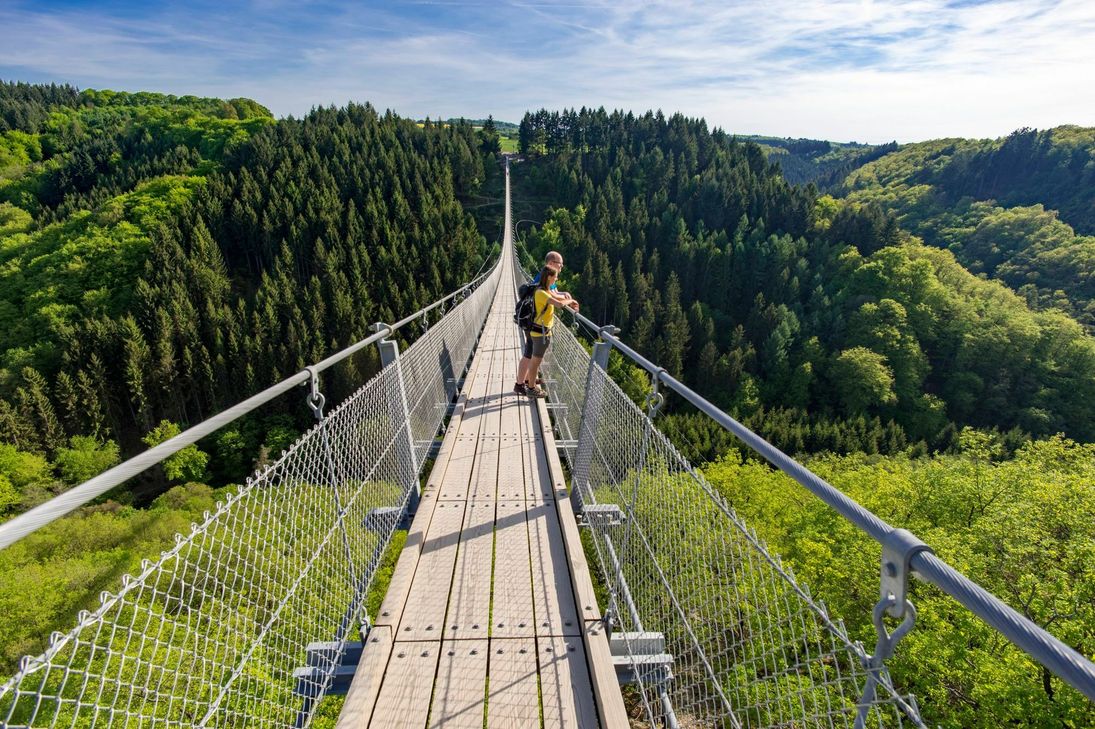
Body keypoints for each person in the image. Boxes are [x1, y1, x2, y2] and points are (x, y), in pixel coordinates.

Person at [514, 266, 578, 398]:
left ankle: (530, 385)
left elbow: (558, 299)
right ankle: (531, 388)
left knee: (535, 361)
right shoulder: (541, 293)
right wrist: (571, 301)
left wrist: (567, 300)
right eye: (555, 276)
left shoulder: (544, 290)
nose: (557, 278)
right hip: (540, 334)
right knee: (535, 362)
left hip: (540, 332)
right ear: (549, 277)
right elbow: (559, 304)